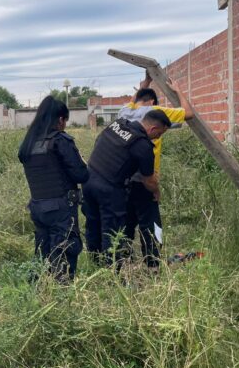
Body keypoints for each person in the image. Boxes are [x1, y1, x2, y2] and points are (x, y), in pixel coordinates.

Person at [118, 73, 194, 269]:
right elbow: (188, 113)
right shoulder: (155, 111)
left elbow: (132, 102)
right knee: (151, 225)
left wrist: (145, 84)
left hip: (123, 179)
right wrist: (178, 91)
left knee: (126, 223)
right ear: (152, 102)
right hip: (146, 179)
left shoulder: (124, 113)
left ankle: (123, 263)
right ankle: (153, 264)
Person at [83, 110, 171, 270]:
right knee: (112, 230)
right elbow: (149, 180)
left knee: (93, 223)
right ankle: (112, 273)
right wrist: (156, 191)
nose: (158, 138)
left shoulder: (118, 125)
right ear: (152, 129)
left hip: (88, 179)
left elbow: (99, 142)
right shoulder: (143, 145)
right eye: (159, 134)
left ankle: (94, 263)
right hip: (109, 188)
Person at [19, 96, 89, 282]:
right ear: (60, 120)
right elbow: (81, 175)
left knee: (42, 252)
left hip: (38, 207)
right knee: (64, 253)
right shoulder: (60, 141)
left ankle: (37, 290)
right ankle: (60, 297)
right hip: (61, 209)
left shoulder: (29, 144)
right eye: (65, 120)